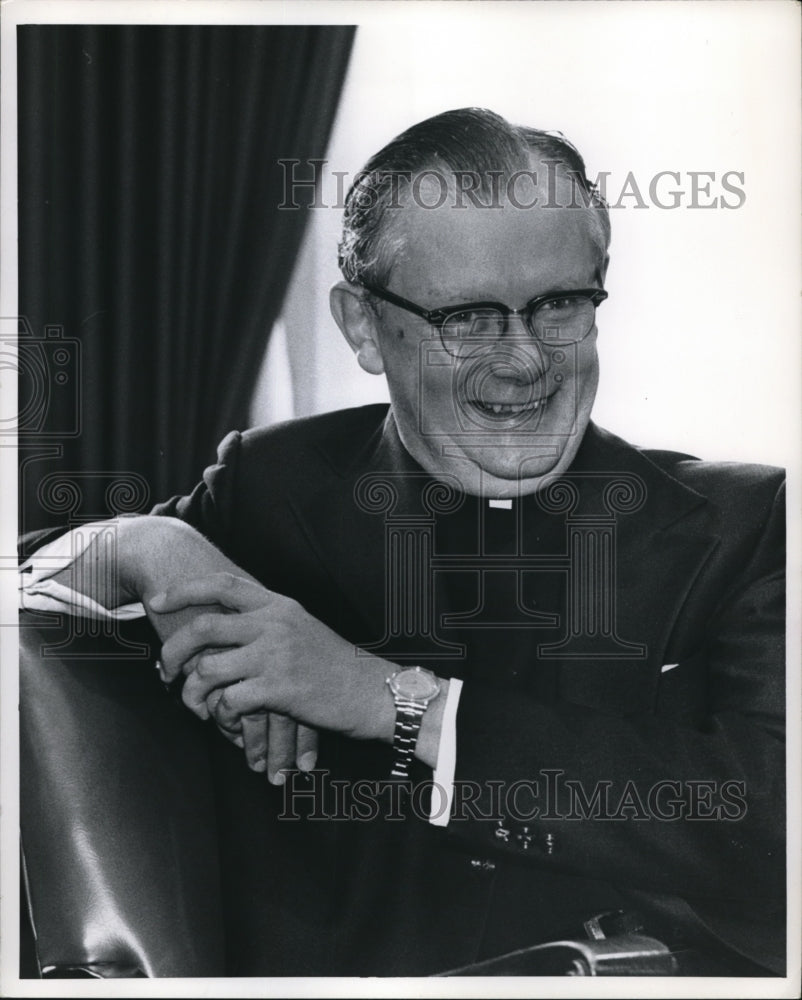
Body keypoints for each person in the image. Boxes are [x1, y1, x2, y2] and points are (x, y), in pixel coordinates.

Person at [21, 108, 785, 977]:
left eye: (560, 304)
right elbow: (25, 591)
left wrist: (391, 701)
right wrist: (146, 544)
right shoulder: (273, 487)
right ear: (361, 328)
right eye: (467, 317)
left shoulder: (748, 524)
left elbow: (775, 824)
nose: (524, 358)